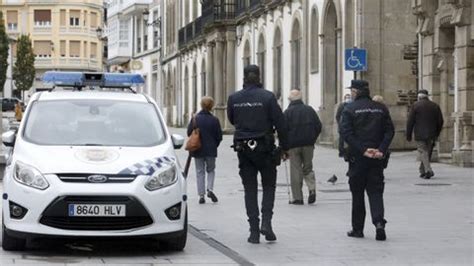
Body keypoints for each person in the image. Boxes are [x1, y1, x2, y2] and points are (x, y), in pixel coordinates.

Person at [227, 65, 289, 244]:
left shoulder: (234, 98)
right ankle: (267, 223)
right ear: (259, 77)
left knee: (250, 189)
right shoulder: (268, 97)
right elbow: (281, 123)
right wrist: (285, 147)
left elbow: (232, 119)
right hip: (265, 147)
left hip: (244, 148)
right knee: (269, 186)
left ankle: (253, 231)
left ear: (244, 77)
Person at [340, 80, 395, 241]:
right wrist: (381, 149)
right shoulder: (380, 108)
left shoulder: (349, 109)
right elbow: (389, 131)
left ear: (356, 92)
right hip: (377, 158)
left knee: (357, 194)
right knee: (376, 191)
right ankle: (379, 223)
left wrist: (363, 150)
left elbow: (347, 134)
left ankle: (358, 229)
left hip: (358, 158)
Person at [283, 89, 322, 205]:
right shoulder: (309, 110)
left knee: (296, 170)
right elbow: (318, 126)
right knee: (308, 168)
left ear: (290, 100)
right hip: (308, 144)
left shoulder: (287, 112)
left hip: (293, 146)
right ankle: (311, 189)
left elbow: (283, 131)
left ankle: (298, 198)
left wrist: (284, 147)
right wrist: (312, 138)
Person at [187, 97, 223, 204]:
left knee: (200, 171)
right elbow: (219, 136)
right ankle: (210, 189)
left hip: (198, 149)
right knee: (211, 170)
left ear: (201, 105)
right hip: (211, 150)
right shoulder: (215, 120)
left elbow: (189, 132)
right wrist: (214, 145)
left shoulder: (195, 119)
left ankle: (201, 195)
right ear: (211, 106)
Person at [406, 89, 443, 179]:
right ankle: (422, 170)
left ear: (419, 97)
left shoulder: (415, 106)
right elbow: (440, 121)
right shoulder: (435, 106)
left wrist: (408, 135)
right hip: (432, 134)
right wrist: (437, 133)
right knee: (427, 152)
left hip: (420, 133)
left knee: (423, 151)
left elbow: (410, 121)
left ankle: (428, 170)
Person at [335, 93, 352, 158]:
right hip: (342, 125)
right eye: (347, 97)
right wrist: (340, 123)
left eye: (349, 97)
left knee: (346, 139)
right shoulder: (342, 105)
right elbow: (337, 116)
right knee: (342, 139)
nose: (348, 98)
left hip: (346, 125)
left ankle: (346, 151)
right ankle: (341, 152)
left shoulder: (351, 105)